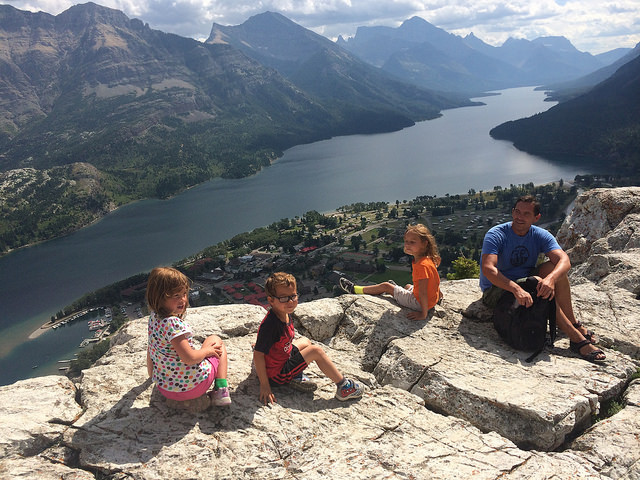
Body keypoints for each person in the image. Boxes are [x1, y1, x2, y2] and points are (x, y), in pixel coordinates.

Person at [479, 195, 605, 363]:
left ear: (536, 217)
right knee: (538, 282)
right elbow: (488, 269)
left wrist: (551, 279)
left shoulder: (539, 235)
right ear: (512, 212)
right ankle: (577, 339)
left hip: (528, 282)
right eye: (517, 212)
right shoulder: (496, 234)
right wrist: (517, 289)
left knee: (554, 270)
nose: (519, 217)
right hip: (497, 290)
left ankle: (572, 322)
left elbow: (564, 260)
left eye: (526, 213)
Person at [253, 271, 364, 404]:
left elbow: (268, 344)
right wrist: (265, 386)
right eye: (283, 298)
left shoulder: (283, 313)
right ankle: (344, 387)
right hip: (277, 375)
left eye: (293, 296)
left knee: (305, 341)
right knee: (315, 351)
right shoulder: (271, 325)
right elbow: (258, 354)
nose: (290, 301)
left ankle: (295, 375)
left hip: (282, 357)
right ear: (271, 300)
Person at [146, 266, 231, 411]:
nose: (183, 300)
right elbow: (190, 358)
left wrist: (153, 377)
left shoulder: (154, 319)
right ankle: (221, 391)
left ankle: (178, 400)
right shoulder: (172, 324)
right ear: (159, 297)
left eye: (184, 294)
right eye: (175, 296)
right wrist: (207, 351)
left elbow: (151, 350)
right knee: (215, 341)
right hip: (193, 387)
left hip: (165, 389)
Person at [339, 223, 441, 321]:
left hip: (419, 303)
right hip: (431, 300)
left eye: (412, 242)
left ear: (424, 243)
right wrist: (438, 296)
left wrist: (423, 314)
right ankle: (396, 292)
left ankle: (355, 289)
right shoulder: (428, 259)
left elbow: (423, 292)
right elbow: (435, 281)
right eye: (406, 241)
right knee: (407, 286)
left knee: (386, 286)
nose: (407, 245)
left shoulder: (421, 265)